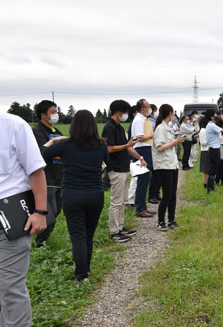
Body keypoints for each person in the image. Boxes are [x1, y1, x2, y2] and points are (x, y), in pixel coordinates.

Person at [42, 110, 108, 282]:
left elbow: (43, 153)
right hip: (95, 194)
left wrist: (54, 140)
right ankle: (86, 268)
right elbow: (105, 161)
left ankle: (82, 274)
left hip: (72, 194)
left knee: (78, 235)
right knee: (88, 235)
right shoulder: (101, 145)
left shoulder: (66, 145)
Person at [0, 113, 48, 326]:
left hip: (10, 216)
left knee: (10, 286)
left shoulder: (14, 125)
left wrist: (40, 212)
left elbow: (35, 170)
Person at [102, 100, 147, 243]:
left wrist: (139, 157)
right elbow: (108, 148)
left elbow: (127, 147)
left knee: (123, 201)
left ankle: (120, 228)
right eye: (126, 111)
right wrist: (126, 145)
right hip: (115, 168)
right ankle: (114, 231)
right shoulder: (109, 127)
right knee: (116, 202)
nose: (126, 114)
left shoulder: (120, 128)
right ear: (118, 111)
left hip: (124, 167)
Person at [32, 100, 64, 248]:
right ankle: (39, 243)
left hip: (59, 177)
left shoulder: (56, 132)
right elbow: (42, 153)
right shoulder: (37, 132)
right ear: (43, 115)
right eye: (52, 112)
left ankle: (44, 241)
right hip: (46, 178)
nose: (56, 115)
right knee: (49, 216)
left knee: (56, 211)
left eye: (56, 111)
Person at [151, 104, 185, 231]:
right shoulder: (160, 128)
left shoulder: (168, 128)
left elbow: (169, 145)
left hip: (172, 164)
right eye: (173, 113)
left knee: (173, 194)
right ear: (170, 113)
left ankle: (171, 219)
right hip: (164, 165)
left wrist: (176, 142)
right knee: (167, 194)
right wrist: (175, 142)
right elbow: (160, 147)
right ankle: (161, 221)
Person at [131, 99, 156, 218]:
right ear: (142, 109)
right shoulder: (138, 120)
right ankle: (140, 208)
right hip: (141, 150)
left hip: (146, 149)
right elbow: (139, 138)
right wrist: (151, 135)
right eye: (148, 106)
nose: (149, 109)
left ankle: (143, 206)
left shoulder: (144, 120)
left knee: (146, 179)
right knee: (142, 179)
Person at [205, 109, 223, 192]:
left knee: (214, 168)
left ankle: (210, 187)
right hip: (214, 149)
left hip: (214, 149)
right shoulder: (212, 125)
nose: (216, 116)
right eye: (215, 115)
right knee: (213, 169)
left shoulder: (211, 125)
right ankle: (210, 188)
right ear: (211, 117)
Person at [147, 104, 162, 204]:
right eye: (155, 111)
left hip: (156, 149)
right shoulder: (149, 123)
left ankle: (156, 193)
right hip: (152, 149)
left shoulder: (155, 122)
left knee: (159, 174)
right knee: (154, 174)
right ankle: (152, 195)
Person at [126, 106, 138, 207]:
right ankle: (131, 199)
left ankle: (132, 198)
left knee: (136, 176)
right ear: (134, 113)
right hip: (133, 152)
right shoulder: (135, 124)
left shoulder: (135, 123)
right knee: (135, 177)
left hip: (134, 152)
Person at [198, 116, 210, 189]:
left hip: (208, 150)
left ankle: (208, 182)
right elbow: (202, 142)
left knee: (208, 169)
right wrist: (211, 140)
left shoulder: (205, 130)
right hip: (205, 150)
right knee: (205, 169)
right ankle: (205, 184)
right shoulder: (202, 131)